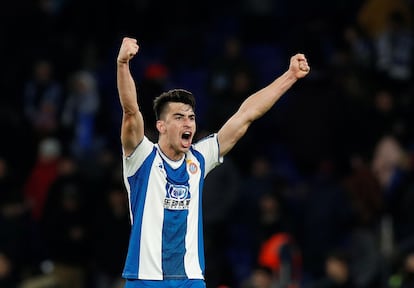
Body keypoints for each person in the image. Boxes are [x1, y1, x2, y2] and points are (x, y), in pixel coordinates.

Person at [115, 36, 310, 288]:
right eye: (179, 117)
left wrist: (290, 76)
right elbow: (131, 111)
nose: (188, 123)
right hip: (146, 279)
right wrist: (122, 64)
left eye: (191, 117)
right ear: (161, 126)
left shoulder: (199, 157)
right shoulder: (142, 158)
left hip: (191, 279)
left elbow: (246, 114)